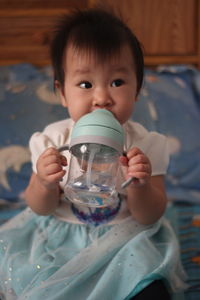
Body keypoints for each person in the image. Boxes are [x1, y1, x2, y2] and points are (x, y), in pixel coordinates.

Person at [0, 8, 186, 300]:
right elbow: (40, 208)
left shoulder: (146, 144)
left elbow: (150, 214)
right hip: (61, 241)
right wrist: (44, 183)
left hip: (124, 242)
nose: (102, 98)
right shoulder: (53, 139)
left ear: (137, 89)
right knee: (41, 286)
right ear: (62, 92)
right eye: (85, 84)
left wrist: (141, 185)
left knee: (149, 288)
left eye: (117, 82)